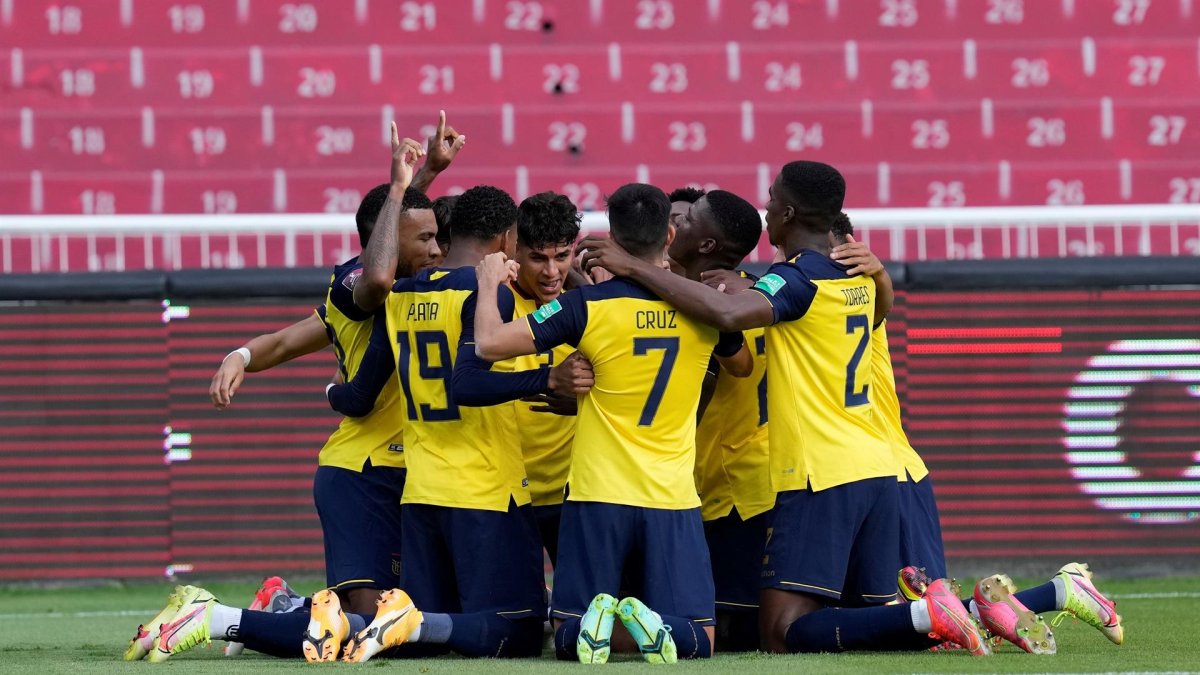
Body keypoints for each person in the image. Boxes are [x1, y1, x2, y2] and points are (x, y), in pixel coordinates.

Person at [576, 161, 993, 656]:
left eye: (772, 199)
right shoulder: (853, 272)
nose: (766, 209)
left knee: (778, 633)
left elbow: (730, 315)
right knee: (868, 619)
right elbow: (880, 311)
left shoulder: (794, 280)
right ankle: (942, 614)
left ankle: (930, 612)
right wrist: (881, 274)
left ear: (789, 212)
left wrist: (633, 266)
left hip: (820, 472)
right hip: (878, 470)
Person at [471, 183, 752, 664]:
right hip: (672, 494)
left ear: (613, 240)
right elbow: (742, 365)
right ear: (668, 233)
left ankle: (598, 630)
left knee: (566, 629)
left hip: (596, 492)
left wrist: (485, 283)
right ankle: (656, 633)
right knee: (700, 639)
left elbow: (490, 345)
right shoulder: (704, 310)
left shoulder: (586, 308)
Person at [326, 183, 592, 662]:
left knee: (427, 643)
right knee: (522, 634)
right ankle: (405, 621)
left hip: (422, 492)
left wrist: (330, 390)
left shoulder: (401, 295)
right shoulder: (490, 294)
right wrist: (545, 378)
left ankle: (260, 619)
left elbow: (359, 395)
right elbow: (466, 384)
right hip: (486, 488)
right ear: (508, 237)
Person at [664, 187, 773, 653]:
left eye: (685, 222)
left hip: (737, 488)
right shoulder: (749, 292)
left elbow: (739, 363)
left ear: (707, 244)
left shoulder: (730, 298)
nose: (674, 228)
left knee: (734, 633)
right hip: (693, 483)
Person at [506, 191, 586, 565]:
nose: (551, 272)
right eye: (538, 258)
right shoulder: (491, 304)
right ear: (514, 249)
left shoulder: (592, 305)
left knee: (582, 614)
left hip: (574, 491)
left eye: (561, 256)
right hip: (505, 492)